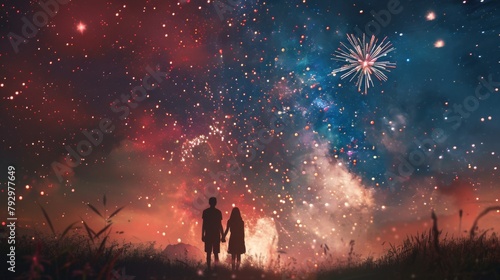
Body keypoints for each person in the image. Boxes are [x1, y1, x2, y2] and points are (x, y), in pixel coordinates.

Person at [202, 197, 224, 270]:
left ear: (209, 202)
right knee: (216, 253)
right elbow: (220, 225)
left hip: (208, 234)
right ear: (215, 203)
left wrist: (202, 235)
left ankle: (209, 268)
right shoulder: (218, 212)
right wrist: (223, 235)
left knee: (208, 253)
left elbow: (204, 225)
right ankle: (216, 268)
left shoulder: (205, 212)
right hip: (216, 235)